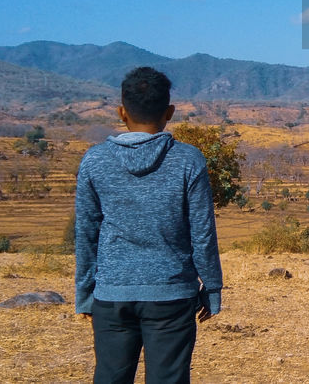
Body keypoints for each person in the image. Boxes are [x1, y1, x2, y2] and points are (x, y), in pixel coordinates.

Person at [75, 66, 223, 384]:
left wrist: (85, 291)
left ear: (122, 112)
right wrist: (211, 287)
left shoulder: (95, 160)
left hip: (112, 292)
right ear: (169, 112)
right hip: (172, 294)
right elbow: (202, 232)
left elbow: (87, 231)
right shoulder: (189, 160)